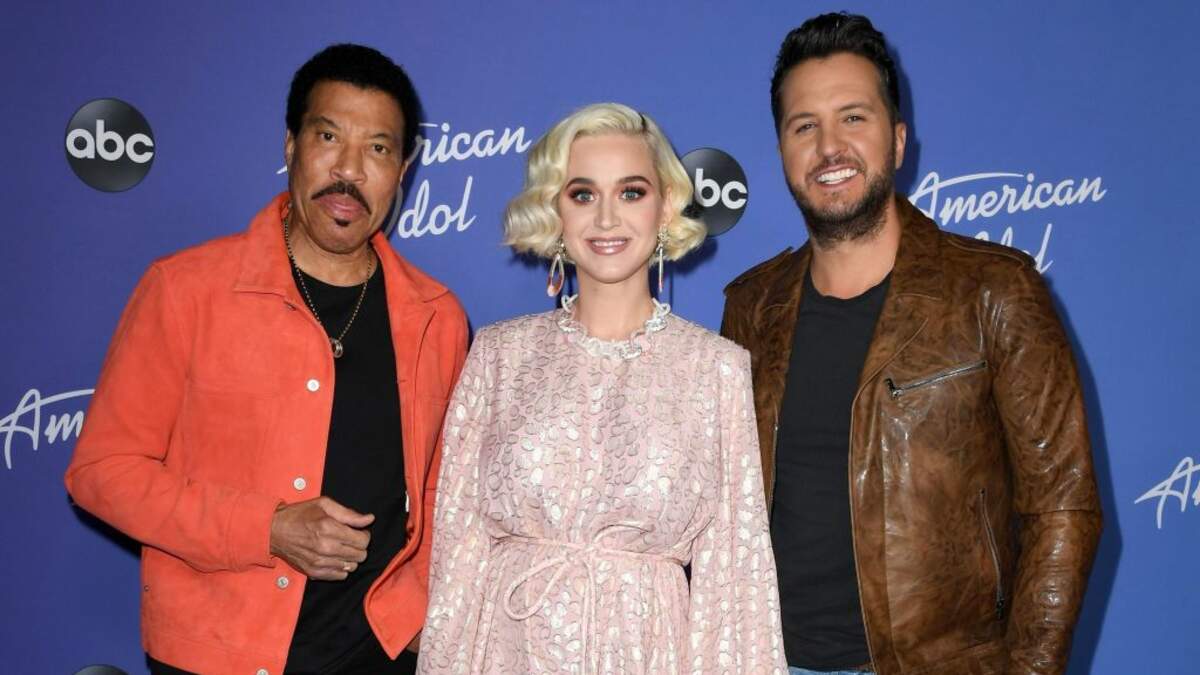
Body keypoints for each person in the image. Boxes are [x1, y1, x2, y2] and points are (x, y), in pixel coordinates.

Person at [64, 44, 467, 675]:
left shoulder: (437, 317)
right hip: (217, 654)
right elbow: (102, 473)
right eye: (328, 136)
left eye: (378, 148)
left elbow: (442, 491)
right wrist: (267, 528)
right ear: (290, 145)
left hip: (379, 658)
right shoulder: (187, 289)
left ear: (403, 169)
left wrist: (420, 616)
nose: (350, 170)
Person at [720, 13, 1103, 675]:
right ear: (781, 150)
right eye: (804, 126)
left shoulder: (994, 289)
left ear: (897, 141)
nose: (829, 146)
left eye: (853, 117)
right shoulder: (750, 306)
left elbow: (1062, 508)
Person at [416, 103, 787, 674]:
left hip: (647, 655)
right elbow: (457, 561)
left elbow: (737, 582)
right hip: (509, 653)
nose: (607, 218)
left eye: (631, 192)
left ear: (666, 205)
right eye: (583, 194)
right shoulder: (498, 356)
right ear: (554, 210)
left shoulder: (716, 369)